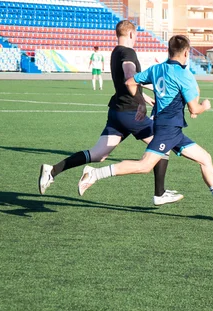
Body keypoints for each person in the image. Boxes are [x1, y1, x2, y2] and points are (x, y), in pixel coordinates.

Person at [78, 35, 213, 217]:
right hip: (168, 129)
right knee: (144, 166)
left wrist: (140, 102)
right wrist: (204, 106)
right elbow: (194, 109)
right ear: (187, 52)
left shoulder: (157, 68)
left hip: (170, 128)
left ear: (169, 50)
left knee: (205, 158)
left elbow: (130, 82)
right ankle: (94, 174)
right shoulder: (184, 75)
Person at [39, 20, 183, 206]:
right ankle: (160, 193)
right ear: (131, 34)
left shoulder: (116, 52)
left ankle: (52, 171)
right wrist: (140, 101)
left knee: (98, 154)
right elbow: (129, 76)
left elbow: (128, 83)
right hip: (130, 113)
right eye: (136, 34)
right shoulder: (128, 53)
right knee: (162, 146)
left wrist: (144, 96)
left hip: (118, 111)